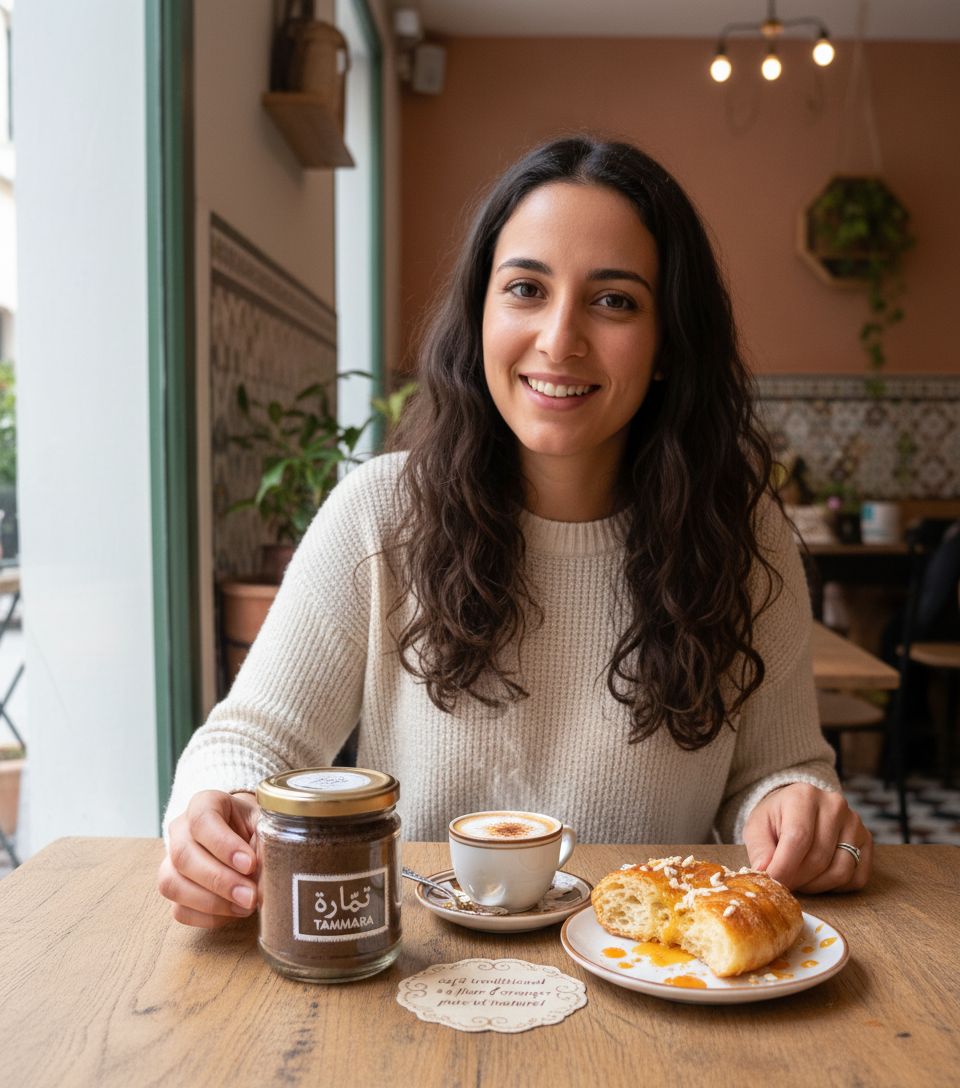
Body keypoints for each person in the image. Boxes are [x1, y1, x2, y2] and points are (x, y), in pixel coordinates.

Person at [158, 135, 872, 929]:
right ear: (481, 314)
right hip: (421, 975)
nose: (560, 340)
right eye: (526, 288)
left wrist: (798, 810)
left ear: (669, 341)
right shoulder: (378, 514)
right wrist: (211, 810)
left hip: (658, 984)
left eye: (614, 301)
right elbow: (254, 740)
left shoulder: (744, 536)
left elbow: (779, 770)